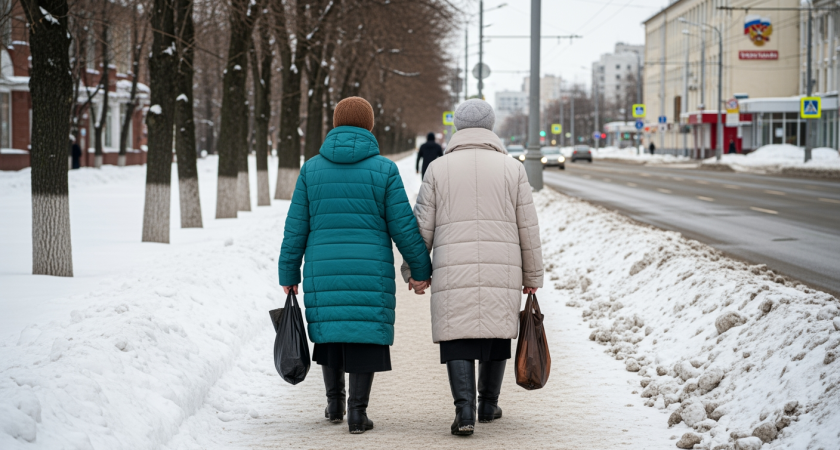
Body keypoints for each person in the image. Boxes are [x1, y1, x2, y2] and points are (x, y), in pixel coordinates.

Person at [278, 96, 432, 435]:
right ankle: (358, 414)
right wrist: (420, 270)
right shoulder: (384, 170)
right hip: (370, 270)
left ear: (335, 124)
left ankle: (334, 404)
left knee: (331, 332)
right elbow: (404, 227)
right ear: (369, 126)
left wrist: (288, 272)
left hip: (323, 269)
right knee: (364, 335)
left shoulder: (311, 169)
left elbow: (296, 227)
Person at [401, 99, 544, 436]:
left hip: (453, 267)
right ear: (490, 126)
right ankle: (489, 405)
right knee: (495, 331)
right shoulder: (512, 169)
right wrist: (532, 275)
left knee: (457, 334)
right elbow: (528, 226)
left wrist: (415, 272)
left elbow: (422, 227)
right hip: (501, 266)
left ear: (457, 127)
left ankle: (464, 411)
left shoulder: (438, 168)